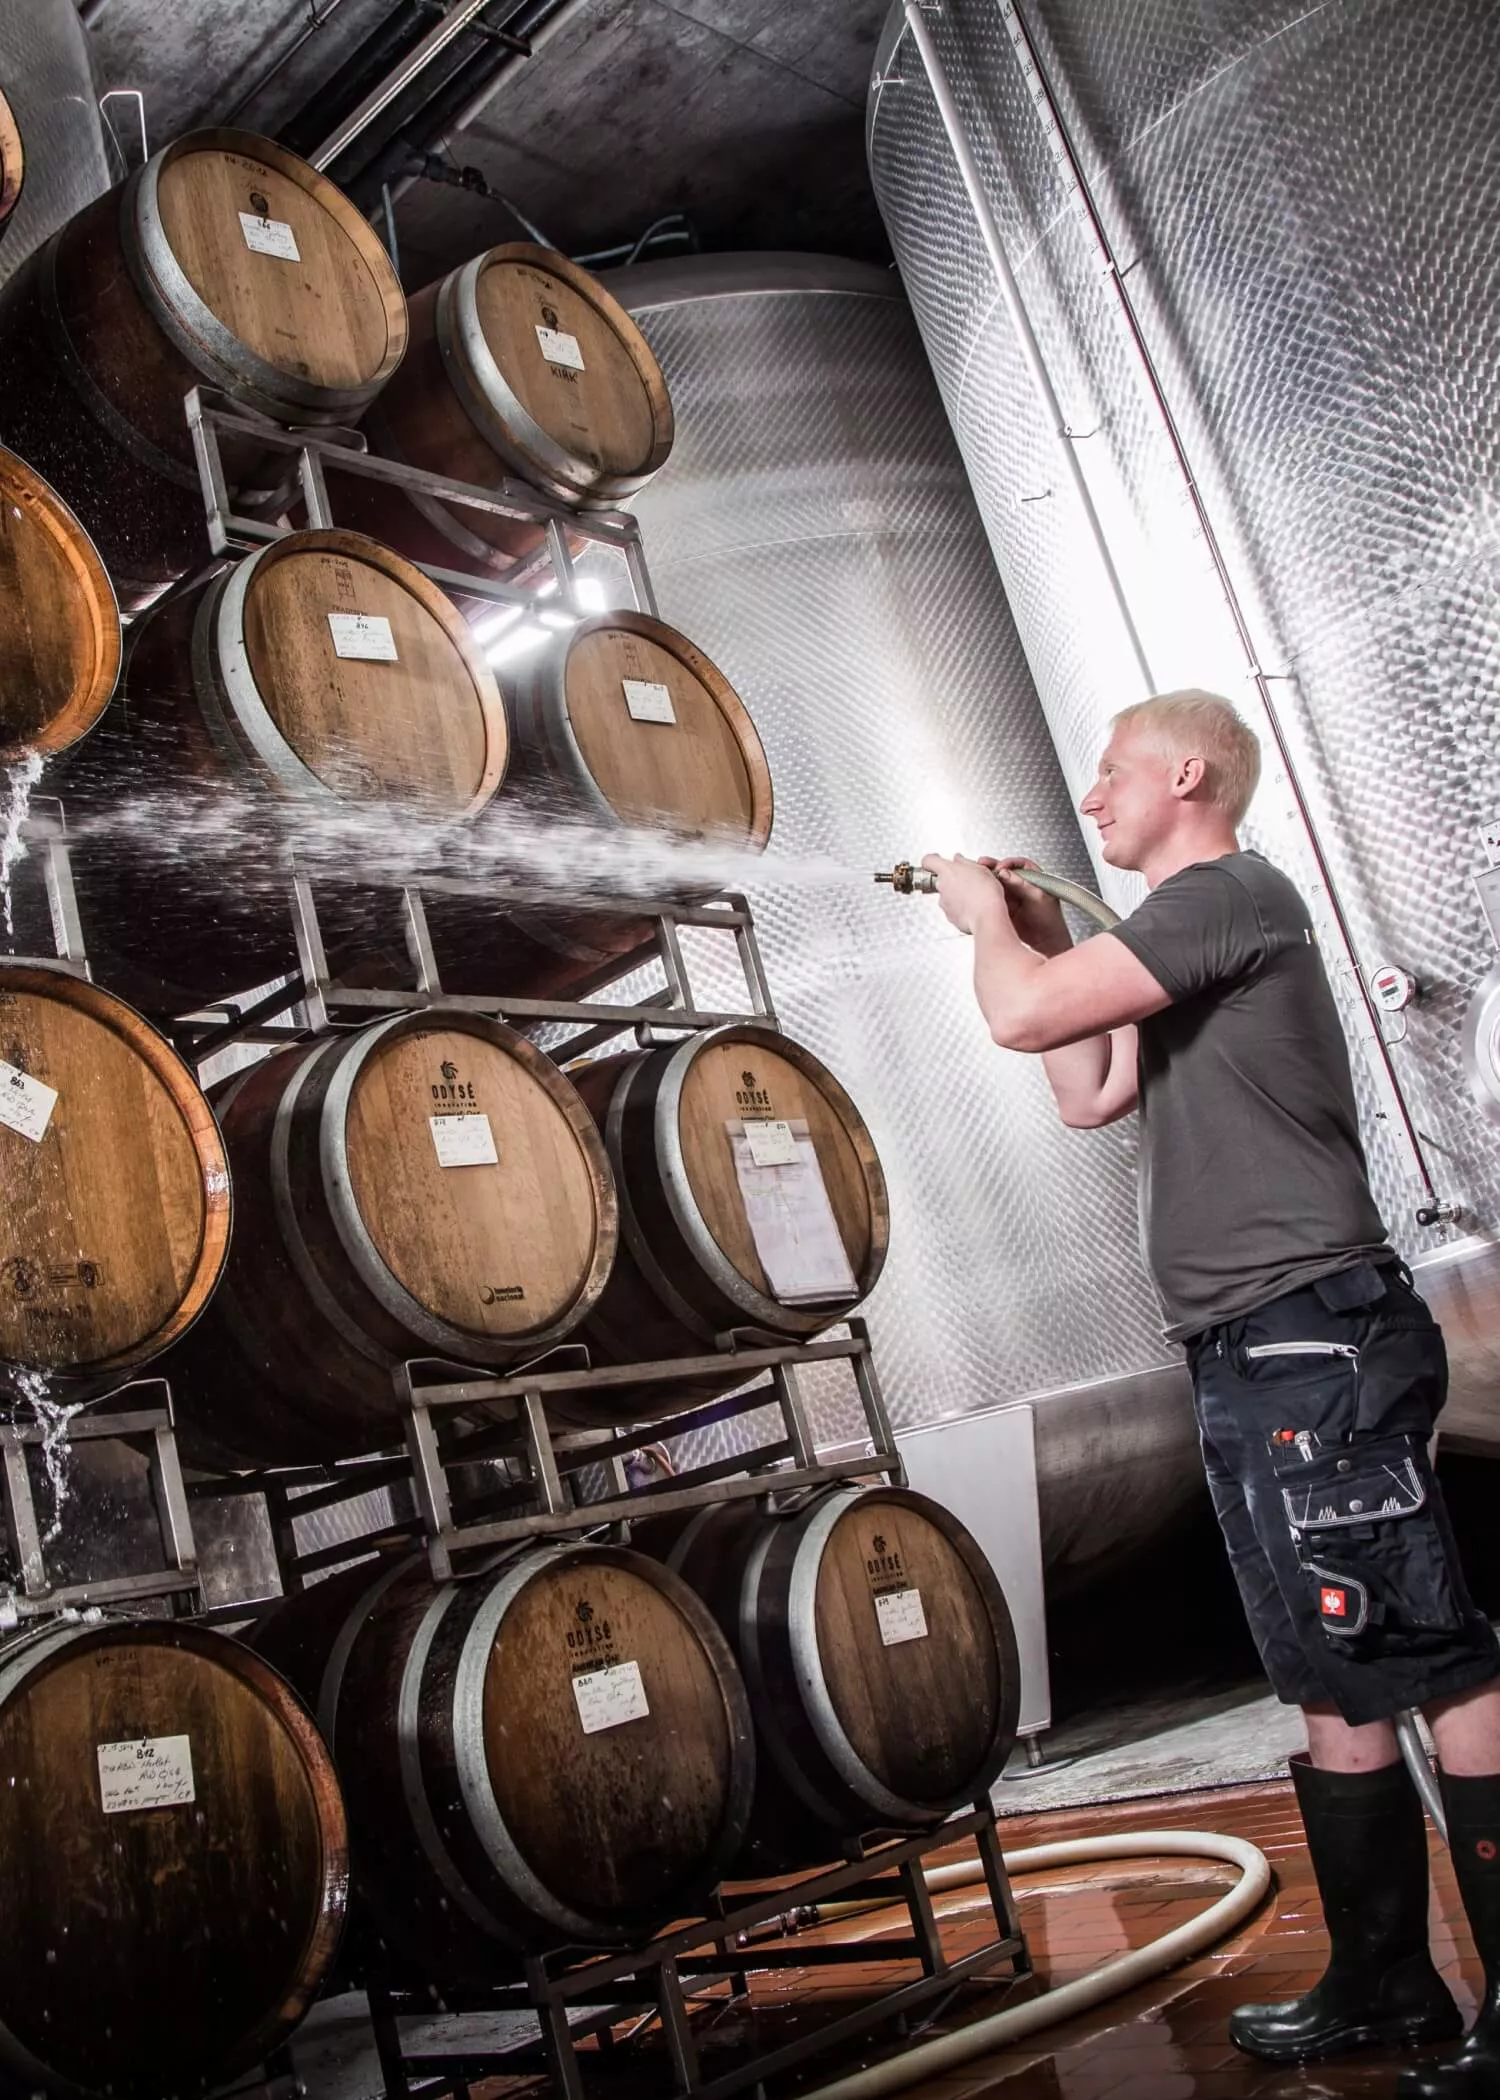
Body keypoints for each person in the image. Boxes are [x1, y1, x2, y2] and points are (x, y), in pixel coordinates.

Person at [922, 690, 1500, 2097]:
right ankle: (1384, 1981)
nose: (1096, 798)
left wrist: (983, 923)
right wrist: (1047, 938)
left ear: (1186, 773)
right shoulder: (1171, 936)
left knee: (1431, 1654)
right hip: (1250, 1344)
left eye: (1113, 774)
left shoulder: (1225, 889)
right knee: (1325, 1664)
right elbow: (1084, 1087)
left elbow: (1020, 1018)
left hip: (1309, 1330)